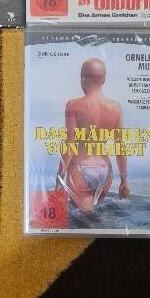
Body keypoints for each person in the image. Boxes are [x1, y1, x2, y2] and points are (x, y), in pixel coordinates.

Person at [55, 58, 130, 212]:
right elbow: (120, 146)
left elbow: (70, 143)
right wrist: (124, 180)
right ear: (103, 79)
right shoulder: (116, 107)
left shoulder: (73, 105)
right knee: (98, 214)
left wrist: (59, 177)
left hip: (81, 169)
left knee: (86, 218)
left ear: (83, 78)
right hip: (105, 171)